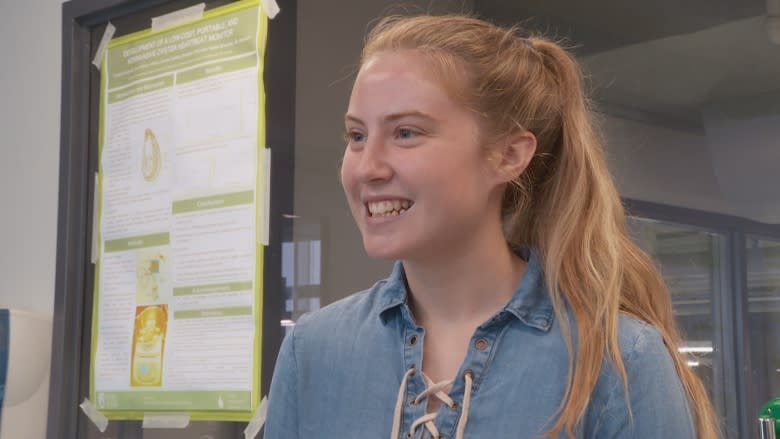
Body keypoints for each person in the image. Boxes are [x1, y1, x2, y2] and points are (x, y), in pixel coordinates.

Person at [264, 14, 720, 439]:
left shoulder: (619, 361)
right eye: (357, 136)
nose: (367, 168)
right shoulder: (312, 351)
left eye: (406, 132)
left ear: (508, 155)